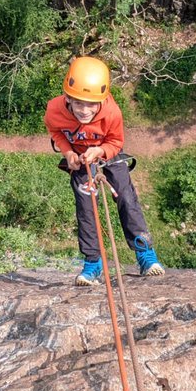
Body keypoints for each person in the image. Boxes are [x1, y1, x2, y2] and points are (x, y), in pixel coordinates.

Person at [45, 56, 165, 286]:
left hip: (108, 154)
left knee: (126, 197)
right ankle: (93, 263)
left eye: (91, 104)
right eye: (78, 102)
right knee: (86, 207)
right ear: (67, 97)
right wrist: (68, 153)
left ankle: (145, 253)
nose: (84, 110)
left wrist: (99, 150)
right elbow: (56, 132)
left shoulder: (112, 113)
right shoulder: (54, 109)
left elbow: (116, 142)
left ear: (102, 100)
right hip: (80, 159)